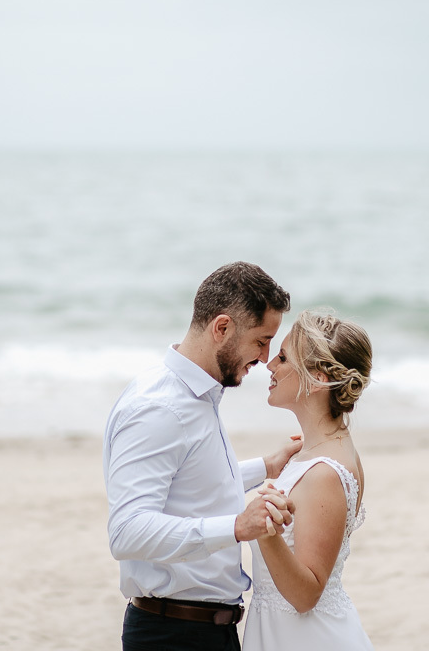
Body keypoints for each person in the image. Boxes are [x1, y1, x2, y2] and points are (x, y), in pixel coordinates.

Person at [104, 261, 303, 651]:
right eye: (261, 340)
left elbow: (192, 484)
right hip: (173, 633)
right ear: (222, 328)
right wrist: (236, 527)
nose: (265, 358)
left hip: (205, 631)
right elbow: (126, 532)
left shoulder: (196, 396)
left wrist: (266, 467)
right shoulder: (160, 407)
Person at [243, 309, 375, 650]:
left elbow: (306, 594)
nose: (270, 365)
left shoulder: (325, 474)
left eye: (284, 357)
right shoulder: (315, 453)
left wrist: (266, 532)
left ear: (316, 379)